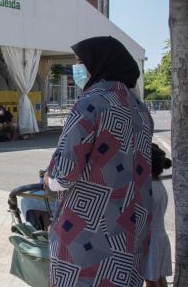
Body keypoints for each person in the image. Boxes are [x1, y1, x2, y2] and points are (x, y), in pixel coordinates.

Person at [44, 36, 153, 287]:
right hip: (129, 232)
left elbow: (65, 174)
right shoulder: (139, 108)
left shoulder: (90, 103)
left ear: (100, 63)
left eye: (82, 62)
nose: (77, 69)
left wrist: (48, 180)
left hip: (87, 234)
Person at [143, 143, 172, 287]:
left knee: (151, 281)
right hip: (161, 237)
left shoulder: (148, 188)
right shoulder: (159, 185)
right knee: (160, 278)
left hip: (152, 240)